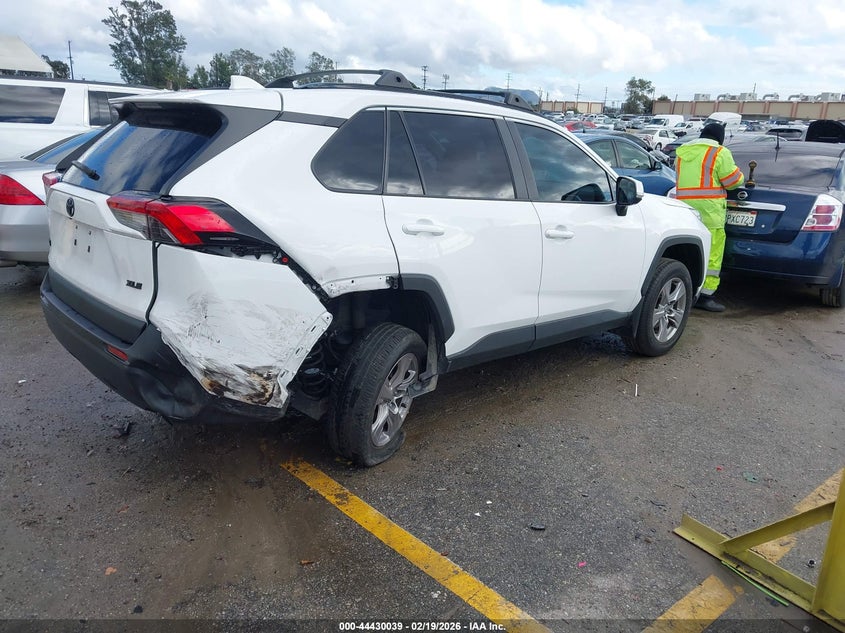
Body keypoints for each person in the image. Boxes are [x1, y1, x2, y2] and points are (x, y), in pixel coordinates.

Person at [674, 122, 745, 312]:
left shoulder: (682, 153)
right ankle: (705, 296)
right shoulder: (719, 153)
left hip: (685, 208)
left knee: (689, 251)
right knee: (712, 253)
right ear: (719, 138)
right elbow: (732, 182)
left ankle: (684, 291)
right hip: (710, 210)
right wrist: (742, 177)